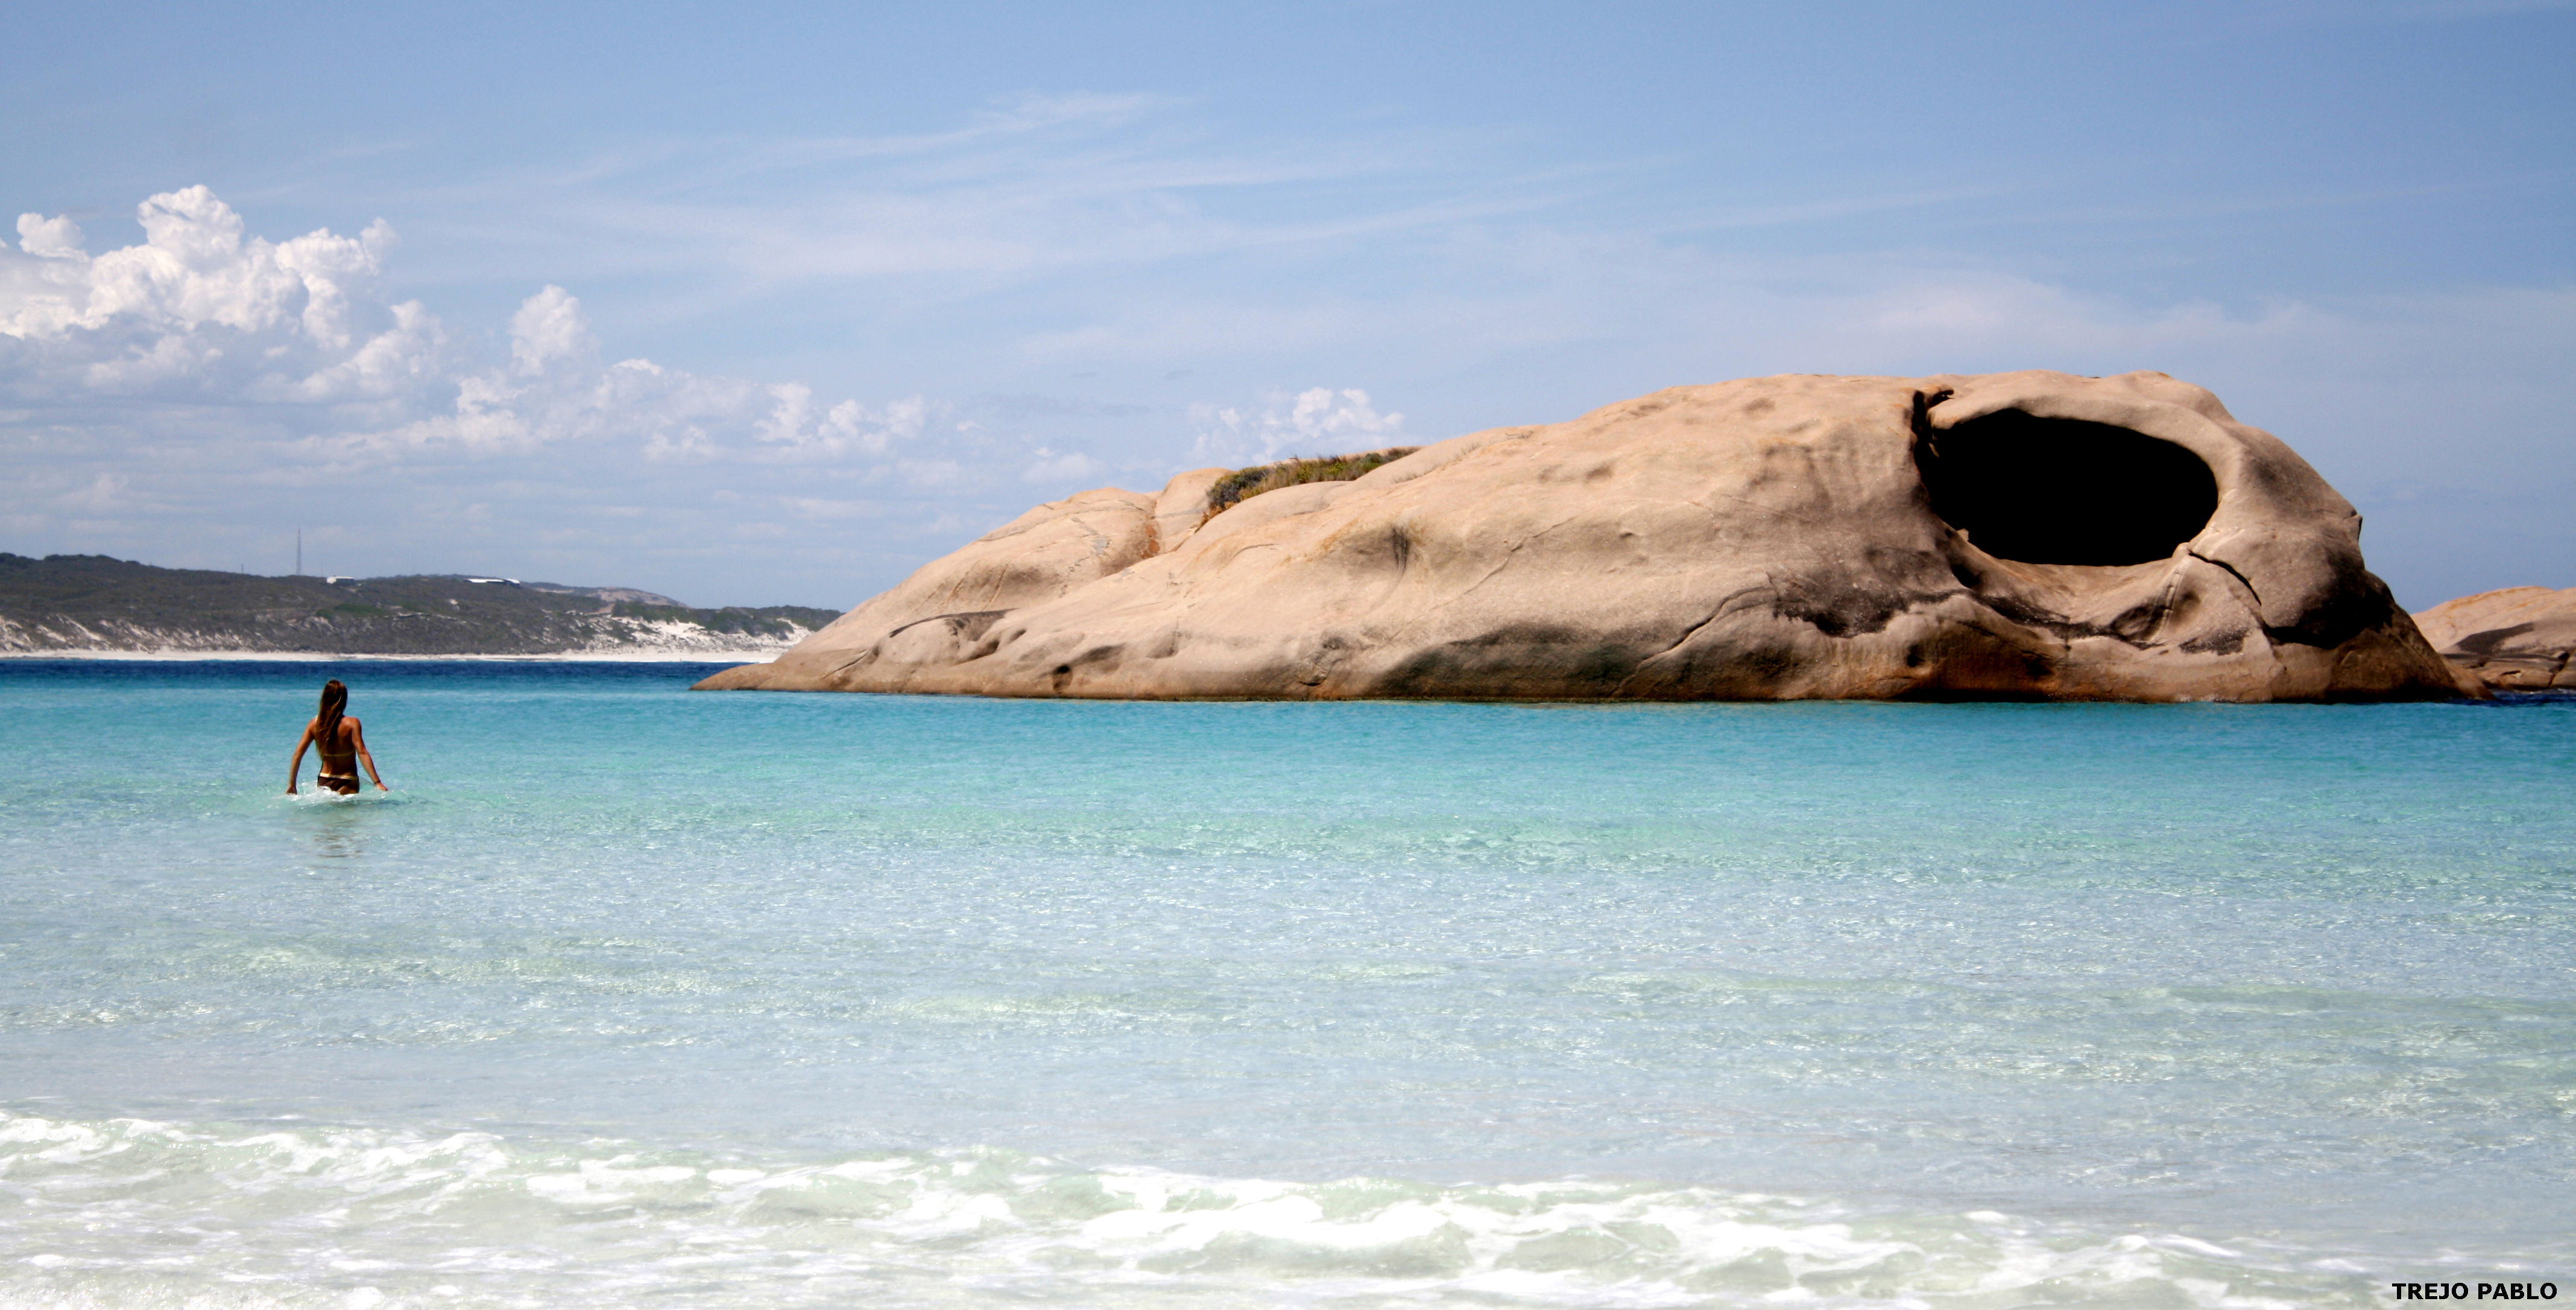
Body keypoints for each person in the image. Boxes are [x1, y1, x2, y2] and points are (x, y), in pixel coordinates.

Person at [287, 679, 387, 795]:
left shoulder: (314, 725)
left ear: (324, 698)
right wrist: (377, 782)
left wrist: (292, 785)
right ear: (343, 700)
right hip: (347, 780)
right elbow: (362, 753)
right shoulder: (352, 724)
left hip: (324, 780)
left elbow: (297, 755)